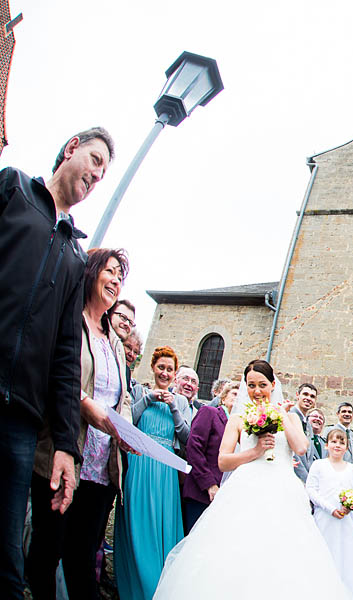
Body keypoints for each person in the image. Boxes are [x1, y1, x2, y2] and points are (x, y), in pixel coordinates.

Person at [0, 126, 113, 599]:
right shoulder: (12, 190)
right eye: (95, 161)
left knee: (6, 562)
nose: (97, 175)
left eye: (104, 172)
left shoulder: (73, 254)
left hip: (22, 420)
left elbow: (67, 356)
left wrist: (66, 446)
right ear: (71, 149)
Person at [154, 359, 351, 598]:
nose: (257, 391)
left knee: (282, 554)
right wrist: (254, 452)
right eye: (251, 385)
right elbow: (223, 460)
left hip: (282, 491)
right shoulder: (237, 419)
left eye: (262, 384)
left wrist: (281, 415)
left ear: (273, 384)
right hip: (245, 489)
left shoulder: (290, 416)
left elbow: (300, 447)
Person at [27, 248, 132, 600]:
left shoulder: (115, 342)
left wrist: (127, 431)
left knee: (82, 558)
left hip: (102, 467)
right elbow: (57, 375)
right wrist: (87, 407)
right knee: (46, 553)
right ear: (90, 273)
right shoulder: (68, 319)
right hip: (66, 453)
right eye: (111, 271)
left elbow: (123, 396)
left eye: (121, 275)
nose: (117, 280)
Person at [115, 346, 191, 600]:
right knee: (137, 522)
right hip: (139, 464)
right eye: (161, 367)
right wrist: (148, 399)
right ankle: (137, 584)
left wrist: (174, 408)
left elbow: (186, 438)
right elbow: (129, 422)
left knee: (163, 522)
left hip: (166, 471)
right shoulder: (139, 392)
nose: (165, 373)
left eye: (170, 369)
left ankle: (161, 587)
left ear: (175, 374)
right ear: (153, 367)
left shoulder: (180, 401)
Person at [307, 428, 353, 600]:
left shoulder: (352, 469)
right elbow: (311, 490)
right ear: (327, 445)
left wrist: (351, 506)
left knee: (346, 557)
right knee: (324, 555)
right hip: (324, 519)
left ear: (346, 447)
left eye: (341, 442)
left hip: (346, 521)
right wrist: (330, 508)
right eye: (334, 442)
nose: (337, 445)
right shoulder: (319, 465)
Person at [181, 381, 239, 533]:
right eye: (234, 393)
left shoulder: (242, 428)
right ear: (223, 397)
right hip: (201, 492)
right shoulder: (210, 413)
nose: (238, 398)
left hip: (225, 495)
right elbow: (194, 448)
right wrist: (209, 484)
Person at [293, 407, 326, 483]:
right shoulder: (300, 435)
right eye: (314, 416)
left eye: (321, 418)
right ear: (307, 420)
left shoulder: (325, 443)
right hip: (301, 479)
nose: (318, 419)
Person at [327, 402, 353, 468]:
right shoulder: (329, 431)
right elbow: (326, 454)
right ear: (338, 414)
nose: (347, 414)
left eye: (349, 412)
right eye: (344, 411)